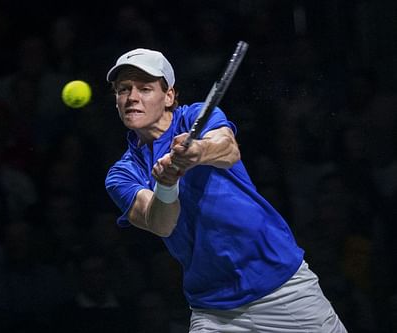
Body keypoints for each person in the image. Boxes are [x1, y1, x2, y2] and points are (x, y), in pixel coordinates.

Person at [104, 48, 347, 332]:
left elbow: (227, 148)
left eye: (144, 88)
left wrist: (196, 151)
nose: (132, 97)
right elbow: (161, 224)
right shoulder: (121, 174)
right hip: (214, 310)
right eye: (123, 90)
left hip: (283, 287)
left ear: (169, 96)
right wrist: (167, 185)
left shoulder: (195, 117)